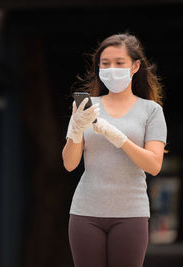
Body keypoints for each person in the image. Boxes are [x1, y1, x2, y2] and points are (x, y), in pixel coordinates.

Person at [62, 33, 167, 267]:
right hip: (85, 211)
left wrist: (118, 138)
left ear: (135, 66)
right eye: (105, 63)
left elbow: (154, 165)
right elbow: (69, 164)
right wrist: (76, 130)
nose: (111, 69)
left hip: (131, 212)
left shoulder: (151, 111)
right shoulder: (86, 108)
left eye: (119, 63)